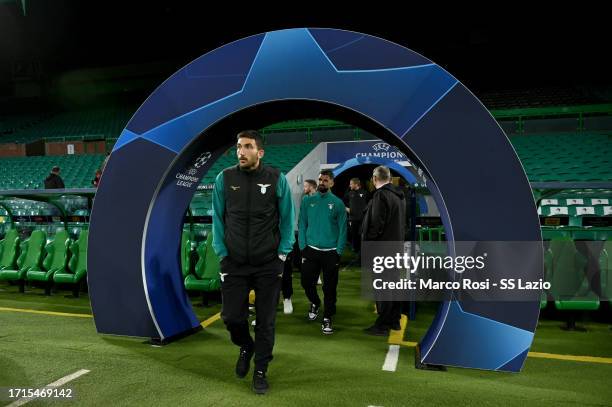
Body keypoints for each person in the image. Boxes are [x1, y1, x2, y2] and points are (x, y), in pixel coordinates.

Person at [212, 130, 295, 394]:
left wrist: (283, 252)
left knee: (266, 320)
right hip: (234, 262)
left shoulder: (276, 179)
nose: (240, 151)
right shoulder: (223, 179)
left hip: (268, 263)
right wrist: (221, 250)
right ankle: (245, 345)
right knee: (231, 317)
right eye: (238, 146)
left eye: (247, 146)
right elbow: (217, 217)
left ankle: (260, 370)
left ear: (259, 152)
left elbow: (287, 218)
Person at [298, 169, 347, 335]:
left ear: (332, 183)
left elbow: (342, 230)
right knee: (306, 282)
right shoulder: (307, 201)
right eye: (320, 179)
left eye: (326, 180)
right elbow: (302, 224)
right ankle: (315, 302)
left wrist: (338, 251)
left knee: (330, 287)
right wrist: (302, 246)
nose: (322, 183)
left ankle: (327, 317)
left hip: (331, 252)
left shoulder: (338, 203)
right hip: (310, 250)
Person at [361, 166, 406, 336]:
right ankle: (394, 321)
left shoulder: (380, 195)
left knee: (382, 288)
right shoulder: (400, 196)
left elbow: (376, 224)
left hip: (381, 249)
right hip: (395, 248)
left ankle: (382, 324)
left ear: (374, 178)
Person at [343, 178, 369, 260]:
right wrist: (347, 209)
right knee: (354, 236)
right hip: (353, 219)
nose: (349, 185)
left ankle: (362, 254)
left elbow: (369, 204)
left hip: (362, 219)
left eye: (351, 184)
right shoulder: (349, 194)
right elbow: (343, 203)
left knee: (362, 236)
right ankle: (356, 252)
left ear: (356, 184)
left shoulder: (365, 193)